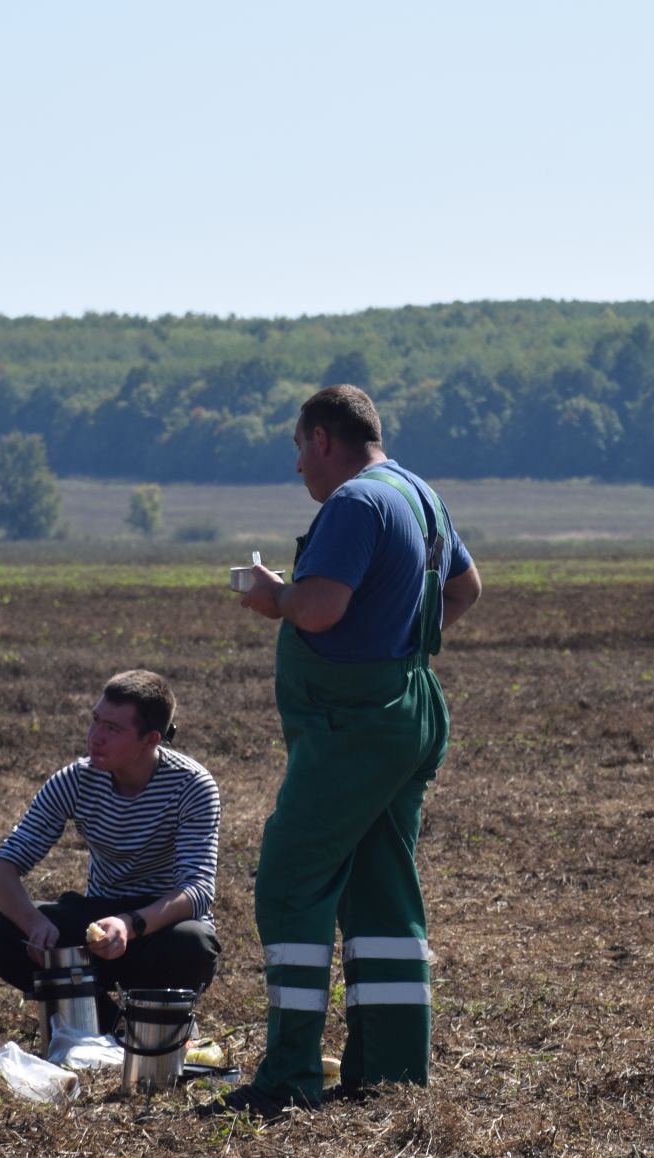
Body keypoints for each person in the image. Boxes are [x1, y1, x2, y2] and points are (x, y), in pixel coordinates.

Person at [203, 383, 482, 1119]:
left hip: (352, 725)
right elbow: (466, 587)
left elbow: (320, 608)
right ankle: (390, 1072)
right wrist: (406, 644)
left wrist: (275, 597)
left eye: (299, 448)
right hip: (410, 708)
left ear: (323, 439)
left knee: (291, 879)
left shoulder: (355, 504)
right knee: (381, 885)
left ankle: (289, 1075)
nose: (298, 466)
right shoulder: (419, 494)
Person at [0, 670, 221, 1036]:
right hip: (97, 924)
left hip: (157, 925)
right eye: (95, 721)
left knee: (194, 944)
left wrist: (131, 924)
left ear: (151, 739)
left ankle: (154, 1017)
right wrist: (35, 925)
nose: (94, 738)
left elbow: (198, 889)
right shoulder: (75, 779)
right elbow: (1, 870)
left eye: (113, 729)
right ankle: (108, 1023)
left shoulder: (192, 785)